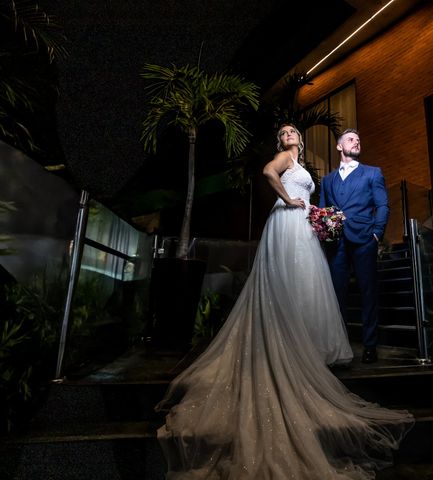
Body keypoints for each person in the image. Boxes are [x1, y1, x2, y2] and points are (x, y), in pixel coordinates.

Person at [155, 124, 413, 479]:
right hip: (292, 224)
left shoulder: (334, 169)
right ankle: (292, 346)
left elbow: (353, 203)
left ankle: (336, 344)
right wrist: (292, 201)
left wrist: (370, 229)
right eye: (284, 131)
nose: (289, 133)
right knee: (294, 285)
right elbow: (270, 174)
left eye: (293, 130)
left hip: (319, 231)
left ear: (300, 140)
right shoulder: (288, 160)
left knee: (317, 288)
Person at [319, 128, 389, 364]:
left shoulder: (372, 173)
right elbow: (323, 212)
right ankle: (341, 346)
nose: (356, 142)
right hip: (336, 243)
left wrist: (377, 234)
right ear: (339, 146)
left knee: (368, 293)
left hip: (364, 240)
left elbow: (383, 205)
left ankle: (370, 345)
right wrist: (324, 233)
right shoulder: (327, 180)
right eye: (351, 139)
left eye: (358, 139)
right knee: (337, 295)